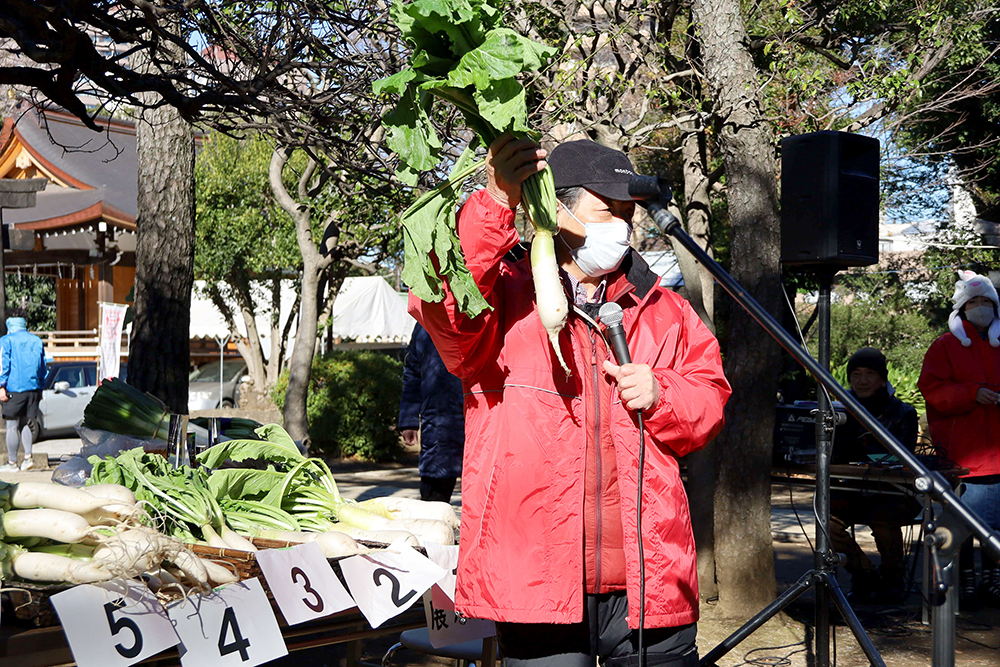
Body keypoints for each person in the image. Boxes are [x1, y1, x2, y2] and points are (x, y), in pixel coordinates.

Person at [409, 135, 731, 667]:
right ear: (555, 210)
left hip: (650, 579)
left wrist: (663, 393)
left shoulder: (663, 307)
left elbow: (710, 399)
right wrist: (495, 200)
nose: (622, 228)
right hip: (536, 579)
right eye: (608, 211)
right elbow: (446, 308)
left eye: (629, 215)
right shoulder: (501, 297)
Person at [918, 270, 1000, 609]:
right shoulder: (944, 345)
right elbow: (932, 391)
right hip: (962, 454)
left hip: (996, 452)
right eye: (974, 301)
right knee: (962, 525)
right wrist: (971, 393)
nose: (980, 307)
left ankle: (993, 581)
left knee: (994, 523)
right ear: (962, 308)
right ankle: (964, 582)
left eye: (986, 301)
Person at [829, 347, 920, 604]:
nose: (863, 380)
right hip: (853, 491)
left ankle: (893, 582)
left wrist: (859, 450)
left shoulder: (904, 413)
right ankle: (866, 575)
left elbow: (900, 458)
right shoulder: (838, 410)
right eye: (856, 374)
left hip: (895, 494)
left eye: (870, 373)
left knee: (883, 518)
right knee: (826, 520)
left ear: (883, 379)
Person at [398, 321, 465, 503]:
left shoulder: (485, 313)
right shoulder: (426, 322)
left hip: (481, 417)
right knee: (433, 501)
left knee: (483, 497)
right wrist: (408, 419)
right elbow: (412, 372)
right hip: (438, 421)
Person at [0, 314, 47, 472]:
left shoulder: (7, 341)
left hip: (14, 389)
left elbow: (3, 365)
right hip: (33, 389)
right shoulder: (36, 341)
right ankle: (28, 458)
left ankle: (12, 462)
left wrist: (1, 386)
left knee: (12, 425)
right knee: (27, 423)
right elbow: (43, 367)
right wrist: (41, 387)